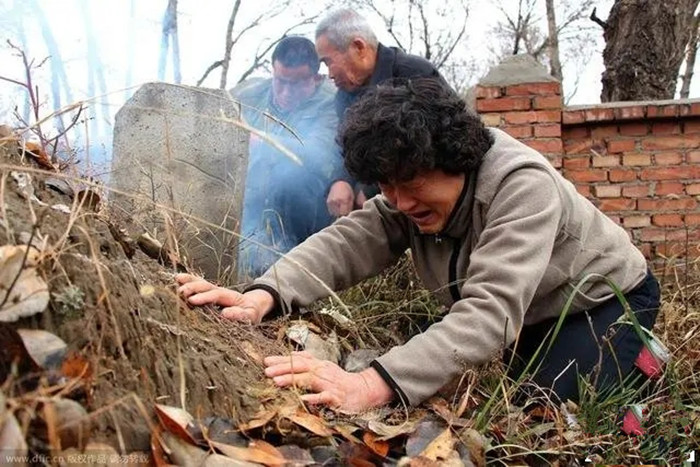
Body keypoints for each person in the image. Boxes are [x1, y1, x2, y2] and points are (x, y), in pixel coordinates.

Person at [178, 78, 660, 412]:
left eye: (410, 182)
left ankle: (643, 358)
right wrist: (263, 294)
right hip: (531, 309)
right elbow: (349, 241)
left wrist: (370, 385)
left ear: (456, 159)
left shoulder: (521, 185)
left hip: (602, 301)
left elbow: (490, 312)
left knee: (550, 411)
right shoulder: (405, 194)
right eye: (386, 184)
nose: (399, 201)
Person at [231, 36, 348, 279]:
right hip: (252, 196)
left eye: (295, 84)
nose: (285, 92)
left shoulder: (333, 103)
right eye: (280, 81)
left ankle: (293, 269)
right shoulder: (250, 93)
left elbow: (318, 154)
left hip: (307, 203)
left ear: (316, 79)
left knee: (294, 178)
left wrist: (260, 142)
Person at [316, 8, 449, 212]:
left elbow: (437, 149)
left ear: (358, 47)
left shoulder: (414, 75)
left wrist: (369, 191)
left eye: (328, 62)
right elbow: (346, 150)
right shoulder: (343, 98)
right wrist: (340, 181)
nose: (329, 74)